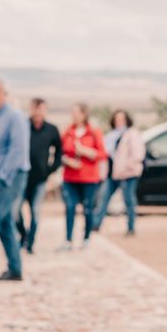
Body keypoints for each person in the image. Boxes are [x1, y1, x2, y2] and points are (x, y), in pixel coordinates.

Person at [0, 79, 30, 281]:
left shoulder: (14, 117)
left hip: (9, 177)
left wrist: (3, 177)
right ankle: (15, 269)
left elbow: (18, 151)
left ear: (4, 94)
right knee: (5, 223)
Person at [16, 98, 61, 254]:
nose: (37, 112)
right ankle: (23, 235)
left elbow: (59, 153)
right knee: (15, 212)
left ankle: (30, 243)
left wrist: (50, 169)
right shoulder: (22, 126)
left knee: (35, 212)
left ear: (45, 110)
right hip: (21, 177)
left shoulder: (51, 129)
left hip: (40, 179)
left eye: (40, 109)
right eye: (34, 108)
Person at [60, 103, 106, 250]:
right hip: (70, 177)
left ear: (84, 114)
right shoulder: (67, 132)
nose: (74, 115)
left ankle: (86, 239)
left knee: (88, 208)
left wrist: (86, 151)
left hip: (89, 178)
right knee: (70, 207)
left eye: (76, 112)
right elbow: (59, 152)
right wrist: (67, 161)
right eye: (72, 112)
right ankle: (68, 240)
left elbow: (102, 154)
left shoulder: (94, 132)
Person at [94, 110, 145, 236]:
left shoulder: (132, 134)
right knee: (103, 198)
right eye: (117, 119)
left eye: (122, 119)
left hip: (127, 173)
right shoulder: (111, 136)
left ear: (127, 120)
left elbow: (138, 154)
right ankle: (95, 224)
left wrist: (126, 167)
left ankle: (131, 228)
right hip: (112, 173)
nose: (119, 122)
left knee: (129, 200)